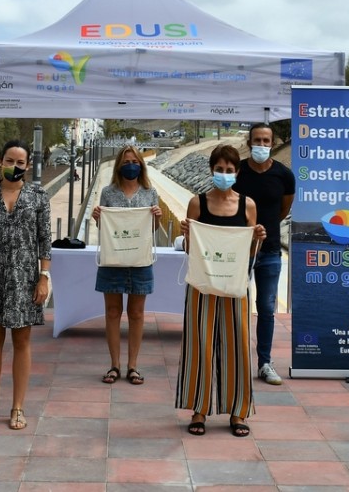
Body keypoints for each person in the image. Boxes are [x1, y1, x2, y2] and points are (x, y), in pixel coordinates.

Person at [177, 145, 265, 437]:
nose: (224, 174)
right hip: (202, 286)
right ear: (211, 170)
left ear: (237, 173)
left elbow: (249, 252)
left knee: (237, 346)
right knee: (199, 345)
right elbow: (190, 249)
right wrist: (187, 235)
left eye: (229, 170)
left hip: (235, 286)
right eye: (219, 169)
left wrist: (258, 238)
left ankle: (238, 412)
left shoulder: (248, 206)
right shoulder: (197, 203)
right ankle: (199, 409)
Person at [0, 140, 51, 431]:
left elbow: (44, 240)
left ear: (27, 166)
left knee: (22, 342)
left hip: (25, 279)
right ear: (0, 161)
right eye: (9, 160)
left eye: (20, 162)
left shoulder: (38, 196)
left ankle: (18, 407)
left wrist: (44, 277)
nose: (14, 166)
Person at [90, 145, 162, 386]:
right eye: (126, 161)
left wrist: (157, 218)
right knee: (112, 312)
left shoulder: (150, 193)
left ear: (141, 165)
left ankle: (133, 365)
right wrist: (98, 218)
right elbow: (105, 228)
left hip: (140, 261)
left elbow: (152, 229)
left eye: (134, 161)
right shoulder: (108, 193)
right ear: (119, 165)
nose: (131, 165)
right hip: (113, 260)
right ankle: (114, 365)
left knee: (137, 313)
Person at [233, 123, 295, 386]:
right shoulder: (237, 171)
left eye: (265, 141)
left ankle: (265, 363)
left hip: (269, 251)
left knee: (267, 308)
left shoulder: (284, 175)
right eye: (256, 140)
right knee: (235, 304)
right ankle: (234, 359)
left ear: (272, 143)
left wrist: (264, 228)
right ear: (249, 143)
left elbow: (283, 210)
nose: (261, 145)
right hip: (239, 251)